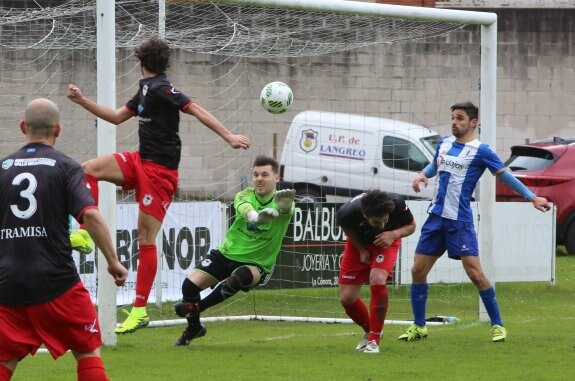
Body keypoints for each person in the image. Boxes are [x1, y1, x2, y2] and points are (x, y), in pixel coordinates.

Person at [66, 37, 251, 334]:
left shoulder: (163, 88)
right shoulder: (144, 88)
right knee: (86, 169)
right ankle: (85, 233)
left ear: (140, 62)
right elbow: (115, 118)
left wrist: (228, 136)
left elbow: (197, 109)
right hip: (140, 160)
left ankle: (139, 310)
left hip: (160, 172)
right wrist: (82, 100)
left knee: (145, 238)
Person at [398, 101, 550, 343]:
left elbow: (505, 176)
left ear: (473, 122)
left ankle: (498, 325)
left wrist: (531, 197)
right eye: (453, 117)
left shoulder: (482, 151)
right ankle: (419, 327)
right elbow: (434, 165)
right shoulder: (445, 143)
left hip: (460, 221)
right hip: (436, 217)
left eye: (459, 118)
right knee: (417, 270)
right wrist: (421, 174)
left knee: (475, 274)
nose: (454, 122)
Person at [0, 98, 128, 381]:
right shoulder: (66, 167)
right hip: (57, 281)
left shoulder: (3, 168)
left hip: (9, 283)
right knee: (87, 350)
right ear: (58, 130)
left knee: (4, 358)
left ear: (23, 127)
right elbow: (90, 216)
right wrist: (112, 261)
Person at [172, 155, 295, 346]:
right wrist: (255, 217)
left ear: (276, 178)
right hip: (226, 253)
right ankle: (194, 328)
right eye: (255, 175)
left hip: (256, 264)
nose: (259, 179)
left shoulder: (282, 201)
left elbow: (287, 211)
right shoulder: (244, 194)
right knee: (189, 285)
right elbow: (244, 207)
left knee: (239, 277)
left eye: (265, 174)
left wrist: (285, 209)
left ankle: (196, 307)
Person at [336, 189, 416, 354]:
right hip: (358, 243)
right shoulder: (347, 212)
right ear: (365, 215)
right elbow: (348, 228)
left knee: (378, 279)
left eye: (385, 220)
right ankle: (368, 330)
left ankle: (374, 339)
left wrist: (393, 234)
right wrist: (360, 249)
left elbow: (412, 226)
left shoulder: (397, 204)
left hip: (387, 241)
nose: (382, 225)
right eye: (376, 222)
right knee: (347, 298)